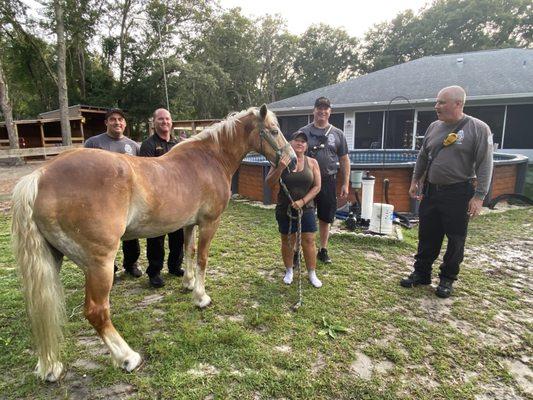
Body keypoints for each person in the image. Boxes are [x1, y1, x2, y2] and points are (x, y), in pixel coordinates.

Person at [400, 85, 493, 298]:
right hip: (432, 191)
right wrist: (416, 179)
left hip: (459, 192)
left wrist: (479, 197)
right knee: (427, 235)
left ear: (458, 104)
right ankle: (421, 273)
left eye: (442, 102)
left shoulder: (477, 128)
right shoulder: (434, 126)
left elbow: (485, 165)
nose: (436, 106)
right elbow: (424, 155)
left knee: (455, 238)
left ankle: (447, 279)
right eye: (437, 102)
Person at [84, 108, 143, 278]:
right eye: (113, 119)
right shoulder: (93, 143)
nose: (117, 122)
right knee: (105, 237)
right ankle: (111, 269)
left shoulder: (133, 146)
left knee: (131, 235)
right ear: (106, 123)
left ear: (124, 123)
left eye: (120, 119)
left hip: (127, 200)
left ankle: (131, 264)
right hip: (102, 199)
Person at [266, 131, 323, 288]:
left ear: (307, 146)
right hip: (285, 208)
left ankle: (312, 273)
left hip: (307, 209)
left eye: (303, 141)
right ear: (290, 143)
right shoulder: (279, 160)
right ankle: (289, 271)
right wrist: (280, 168)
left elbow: (317, 186)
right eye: (297, 140)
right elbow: (269, 182)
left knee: (309, 240)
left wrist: (303, 201)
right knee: (288, 241)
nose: (300, 143)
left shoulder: (312, 163)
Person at [299, 97, 350, 264]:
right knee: (303, 214)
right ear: (313, 110)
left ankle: (323, 249)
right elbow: (295, 155)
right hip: (307, 181)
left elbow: (344, 159)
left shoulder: (338, 134)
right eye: (319, 108)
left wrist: (345, 182)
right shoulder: (303, 132)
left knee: (325, 217)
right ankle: (297, 250)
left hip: (328, 180)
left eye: (325, 108)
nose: (322, 111)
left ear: (330, 112)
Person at [140, 108, 185, 288]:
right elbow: (147, 174)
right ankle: (154, 272)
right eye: (160, 119)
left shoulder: (179, 144)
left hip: (178, 199)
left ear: (171, 122)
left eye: (167, 119)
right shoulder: (148, 145)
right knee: (156, 238)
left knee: (177, 236)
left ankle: (174, 267)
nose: (164, 122)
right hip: (157, 200)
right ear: (154, 123)